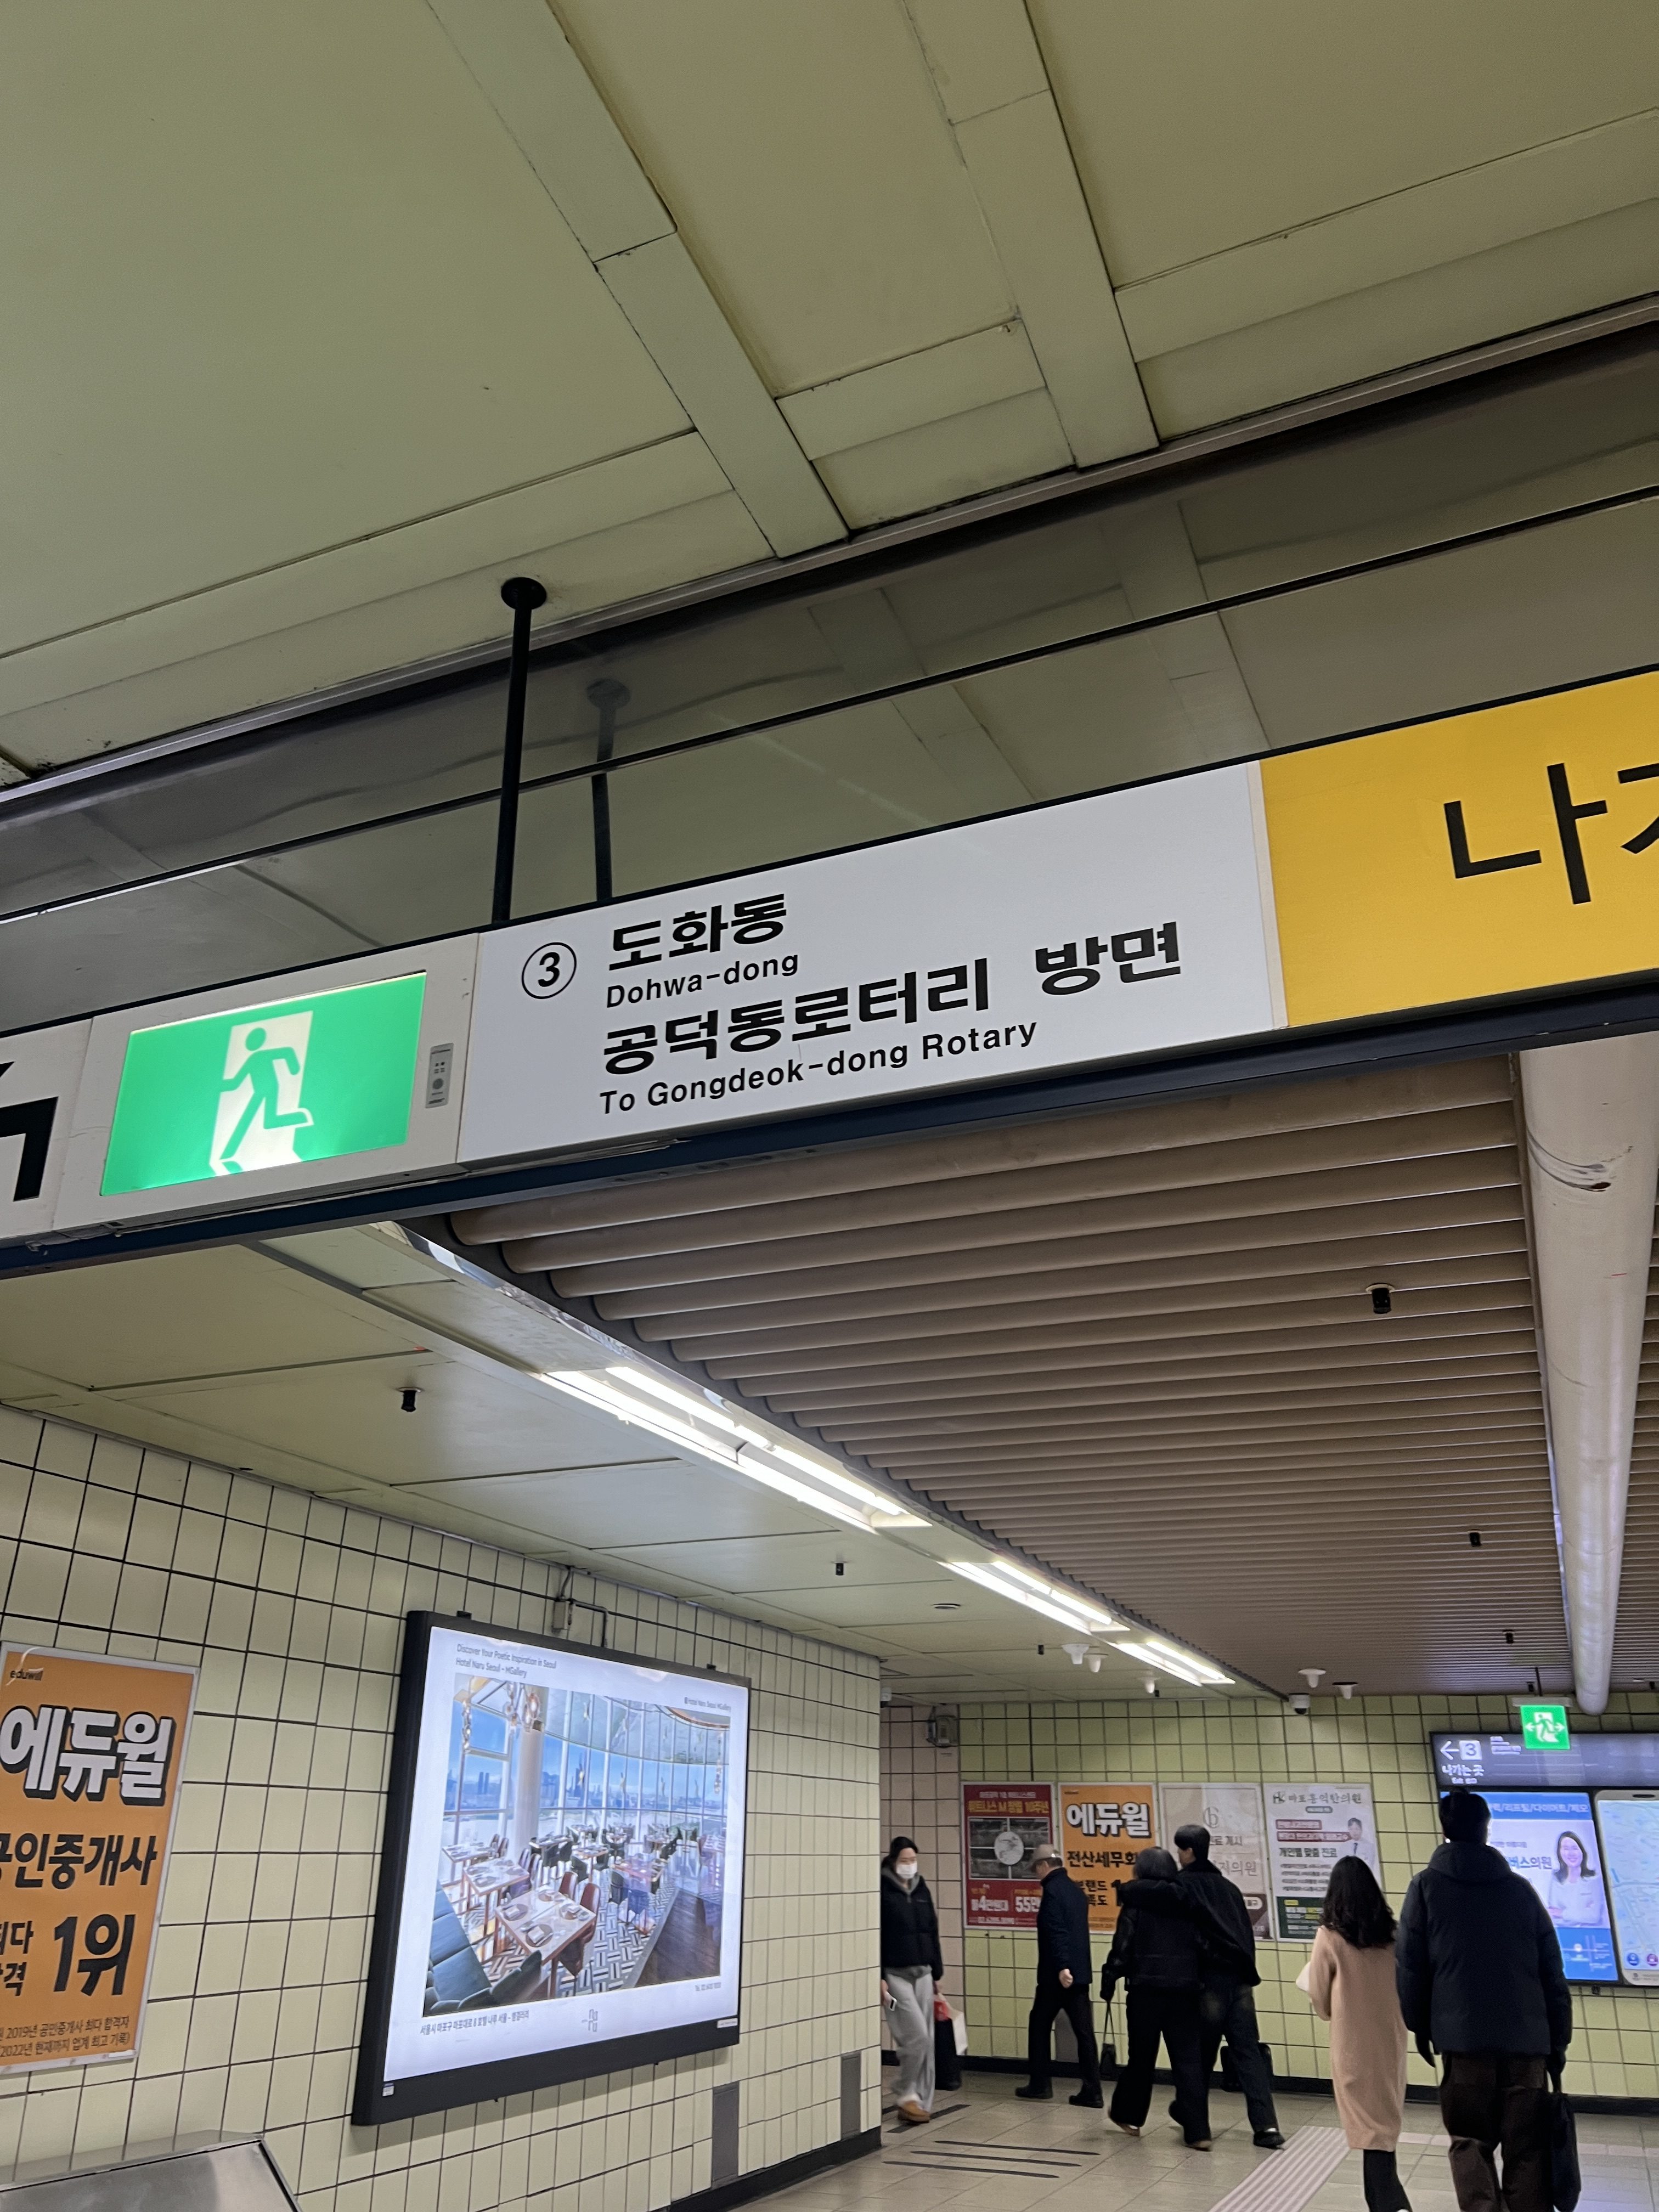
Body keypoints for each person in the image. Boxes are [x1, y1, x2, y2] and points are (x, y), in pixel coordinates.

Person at [1397, 1790, 1572, 2212]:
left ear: (1445, 1828)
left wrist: (1420, 2025)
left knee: (1470, 2141)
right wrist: (1558, 2039)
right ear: (1486, 1827)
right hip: (1527, 2043)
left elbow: (1411, 1966)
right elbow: (1552, 1970)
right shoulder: (1520, 1890)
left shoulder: (1425, 1888)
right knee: (1527, 2145)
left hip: (1463, 2043)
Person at [1101, 1846, 1249, 2149]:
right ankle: (1198, 2133)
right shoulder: (1188, 1902)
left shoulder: (1135, 1902)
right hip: (1185, 1992)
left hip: (1145, 1992)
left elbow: (1123, 1946)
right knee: (1188, 2062)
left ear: (1142, 1870)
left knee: (1142, 2057)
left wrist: (1110, 1975)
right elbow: (1204, 1944)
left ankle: (1129, 2116)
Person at [1303, 1859, 1410, 2212]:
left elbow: (1319, 1992)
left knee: (1370, 2132)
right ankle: (1391, 2202)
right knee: (1382, 2126)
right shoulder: (1393, 1934)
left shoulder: (1330, 1935)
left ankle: (1390, 2205)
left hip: (1352, 2042)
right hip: (1390, 2039)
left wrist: (1330, 2009)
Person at [1173, 1822, 1285, 2149]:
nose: (1178, 1855)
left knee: (1199, 2056)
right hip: (1240, 1982)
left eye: (1180, 1849)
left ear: (1189, 1852)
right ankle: (1266, 2127)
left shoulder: (1182, 1886)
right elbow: (1246, 1936)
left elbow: (1186, 1938)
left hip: (1207, 1982)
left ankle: (1196, 2123)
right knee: (1248, 2054)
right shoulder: (1230, 1888)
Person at [1017, 1843, 1102, 2107]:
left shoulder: (1053, 1891)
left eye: (1036, 1868)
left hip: (1057, 1976)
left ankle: (1040, 2085)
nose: (1036, 1874)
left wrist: (1063, 1967)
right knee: (1085, 2033)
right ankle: (1093, 2091)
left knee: (1039, 2025)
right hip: (1079, 1974)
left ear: (1044, 1866)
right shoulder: (1076, 1891)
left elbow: (1057, 1931)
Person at [880, 1837, 944, 2126]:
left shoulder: (921, 1887)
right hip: (895, 1975)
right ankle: (904, 2091)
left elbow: (932, 1930)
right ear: (894, 1861)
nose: (910, 1865)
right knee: (916, 2037)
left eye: (913, 1860)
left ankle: (920, 2101)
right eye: (905, 1861)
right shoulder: (882, 1889)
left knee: (927, 2042)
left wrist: (937, 1973)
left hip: (923, 1972)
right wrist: (880, 1976)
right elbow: (875, 1935)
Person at [1547, 1832, 1605, 1927]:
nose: (1571, 1854)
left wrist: (1562, 1913)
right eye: (1566, 1849)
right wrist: (1582, 1912)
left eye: (1575, 1848)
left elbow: (1594, 1916)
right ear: (1560, 1853)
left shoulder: (1594, 1879)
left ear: (1582, 1851)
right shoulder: (1556, 1879)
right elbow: (1554, 1915)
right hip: (1563, 1932)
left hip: (1592, 1932)